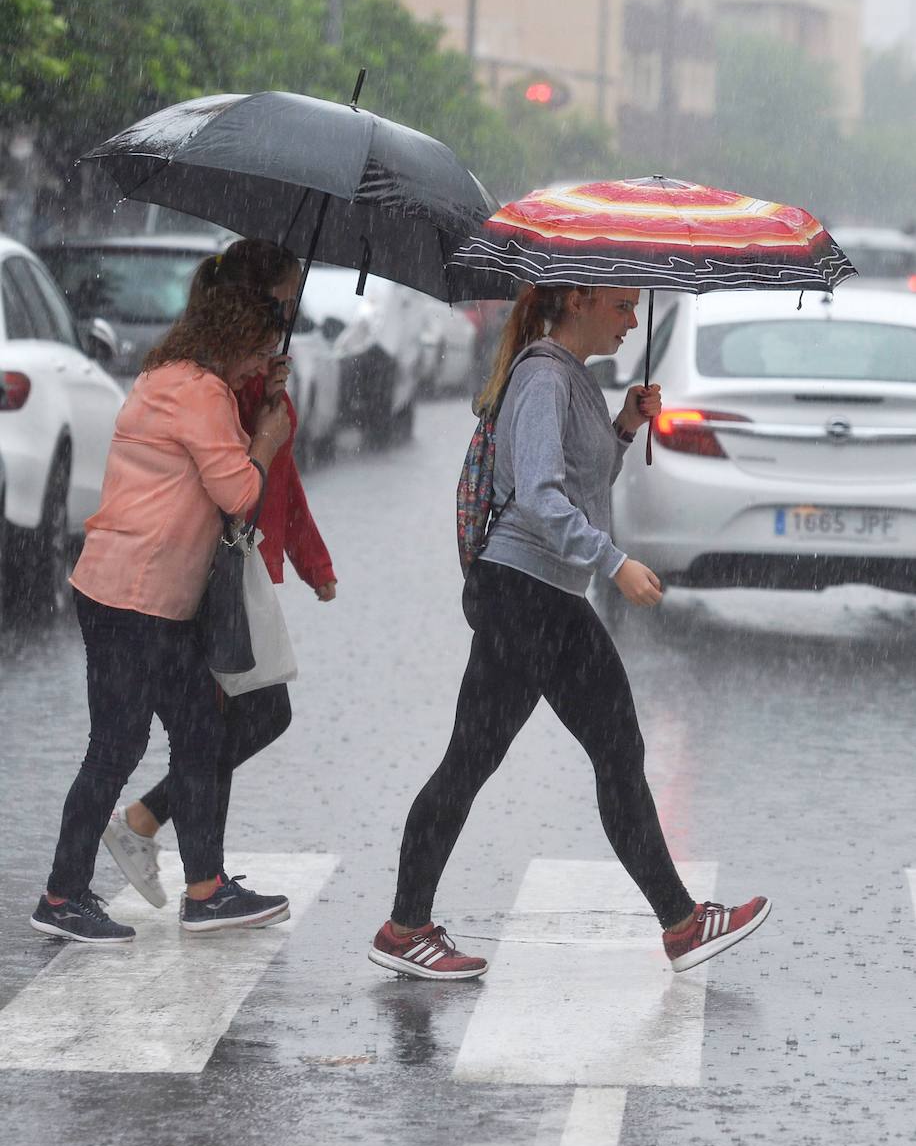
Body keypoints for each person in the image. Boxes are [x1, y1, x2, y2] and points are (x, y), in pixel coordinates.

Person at [369, 283, 770, 979]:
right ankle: (678, 923)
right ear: (579, 301)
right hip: (528, 594)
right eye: (621, 306)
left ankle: (408, 926)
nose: (632, 320)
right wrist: (614, 565)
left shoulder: (571, 377)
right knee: (588, 751)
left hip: (536, 593)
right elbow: (538, 494)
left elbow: (581, 482)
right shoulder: (543, 377)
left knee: (496, 759)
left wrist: (621, 428)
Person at [31, 285, 293, 944]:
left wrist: (257, 410)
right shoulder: (199, 392)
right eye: (257, 353)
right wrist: (265, 439)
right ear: (232, 337)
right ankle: (62, 895)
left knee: (200, 733)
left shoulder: (163, 378)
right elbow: (237, 492)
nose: (257, 366)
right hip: (137, 595)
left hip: (131, 590)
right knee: (116, 745)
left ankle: (204, 891)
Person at [100, 240, 337, 910]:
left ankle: (199, 870)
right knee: (241, 716)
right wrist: (265, 413)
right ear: (259, 303)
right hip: (211, 568)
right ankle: (183, 862)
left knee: (233, 717)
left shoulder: (254, 378)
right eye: (287, 300)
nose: (293, 312)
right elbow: (243, 485)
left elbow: (279, 481)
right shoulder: (220, 383)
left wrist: (311, 560)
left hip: (239, 563)